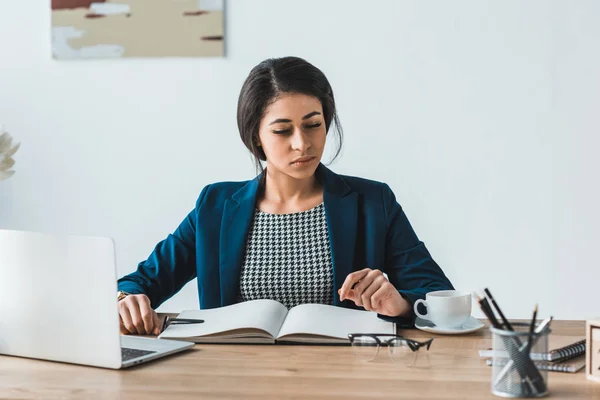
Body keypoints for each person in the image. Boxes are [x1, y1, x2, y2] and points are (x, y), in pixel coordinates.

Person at [117, 56, 454, 335]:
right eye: (282, 131)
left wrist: (400, 303)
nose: (302, 144)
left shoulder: (372, 201)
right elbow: (141, 281)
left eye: (313, 124)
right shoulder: (216, 207)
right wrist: (126, 299)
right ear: (256, 137)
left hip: (345, 377)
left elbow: (439, 297)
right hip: (233, 379)